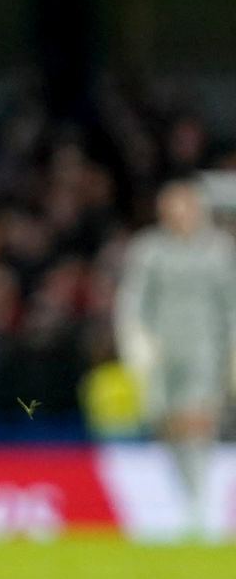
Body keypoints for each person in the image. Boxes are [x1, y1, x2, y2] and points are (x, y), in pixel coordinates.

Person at [115, 177, 236, 538]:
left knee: (198, 423)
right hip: (162, 353)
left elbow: (230, 305)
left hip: (205, 350)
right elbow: (133, 300)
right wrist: (135, 340)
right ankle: (186, 500)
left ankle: (200, 507)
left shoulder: (218, 250)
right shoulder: (149, 249)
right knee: (166, 425)